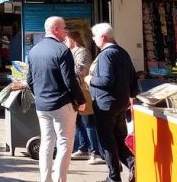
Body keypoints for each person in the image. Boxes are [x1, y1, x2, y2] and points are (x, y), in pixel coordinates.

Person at [26, 16, 85, 182]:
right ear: (56, 29)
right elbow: (69, 80)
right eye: (64, 28)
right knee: (65, 142)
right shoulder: (62, 50)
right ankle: (60, 180)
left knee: (46, 142)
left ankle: (45, 179)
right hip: (61, 104)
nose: (66, 32)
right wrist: (80, 100)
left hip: (42, 105)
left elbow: (30, 80)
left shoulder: (34, 50)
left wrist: (39, 95)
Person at [88, 23, 139, 182]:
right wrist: (130, 97)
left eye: (95, 36)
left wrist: (89, 79)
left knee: (107, 142)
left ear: (102, 37)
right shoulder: (122, 52)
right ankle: (133, 165)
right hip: (120, 104)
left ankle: (114, 177)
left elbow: (105, 80)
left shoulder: (106, 55)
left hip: (106, 105)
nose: (94, 40)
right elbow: (133, 79)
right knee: (118, 138)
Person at [66, 31, 104, 164]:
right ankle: (83, 148)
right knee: (78, 122)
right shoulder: (70, 52)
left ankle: (95, 152)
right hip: (74, 92)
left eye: (67, 39)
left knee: (88, 121)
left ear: (73, 39)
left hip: (84, 92)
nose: (65, 42)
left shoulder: (82, 52)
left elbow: (81, 70)